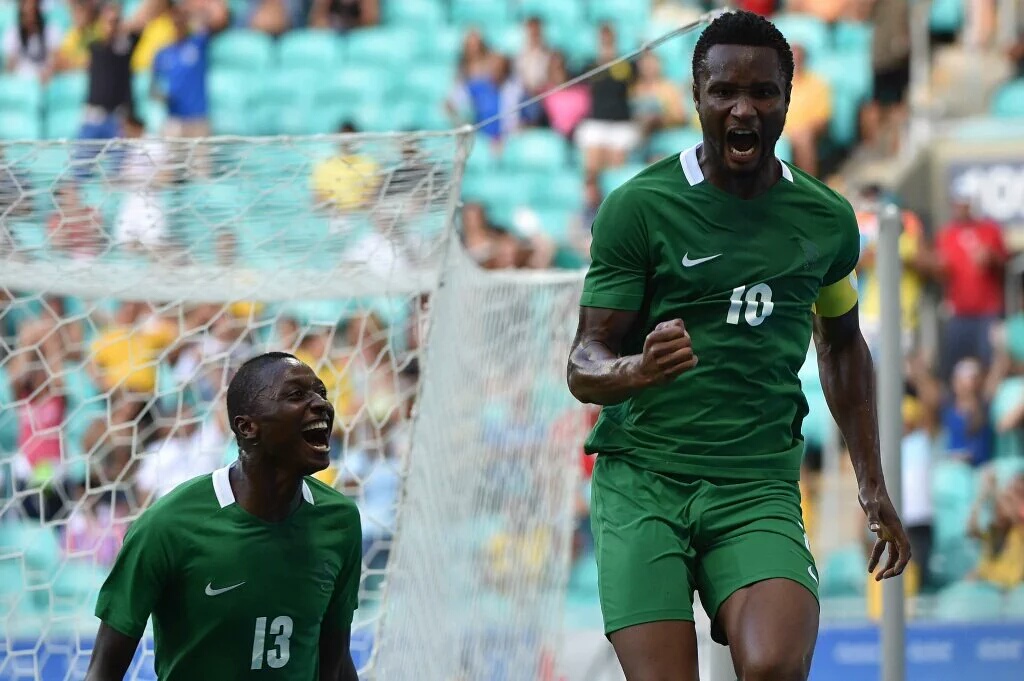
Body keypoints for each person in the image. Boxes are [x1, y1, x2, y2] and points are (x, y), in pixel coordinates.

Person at [565, 11, 910, 681]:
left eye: (763, 92)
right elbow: (584, 360)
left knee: (776, 662)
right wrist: (637, 367)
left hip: (755, 484)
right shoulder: (639, 208)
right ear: (697, 96)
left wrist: (871, 482)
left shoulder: (827, 221)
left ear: (789, 96)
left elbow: (841, 342)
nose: (743, 107)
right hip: (644, 481)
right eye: (724, 91)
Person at [84, 352, 362, 681]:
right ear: (247, 427)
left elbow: (337, 661)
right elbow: (103, 671)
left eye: (321, 393)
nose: (321, 404)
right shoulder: (168, 525)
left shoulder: (340, 521)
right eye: (296, 395)